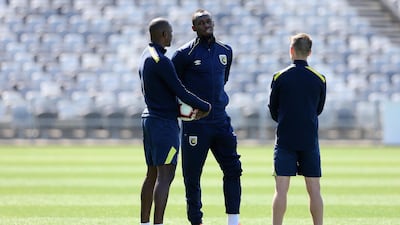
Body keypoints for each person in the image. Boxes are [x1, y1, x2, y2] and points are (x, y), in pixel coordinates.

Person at [171, 9, 242, 225]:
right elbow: (173, 87)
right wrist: (186, 109)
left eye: (208, 21)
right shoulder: (183, 54)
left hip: (221, 121)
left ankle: (233, 221)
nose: (206, 25)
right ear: (194, 28)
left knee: (233, 169)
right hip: (196, 124)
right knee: (192, 176)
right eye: (200, 23)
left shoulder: (226, 51)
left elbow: (223, 81)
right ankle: (196, 221)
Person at [139, 17, 212, 225]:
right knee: (165, 175)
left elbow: (162, 93)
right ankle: (158, 223)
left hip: (150, 118)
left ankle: (144, 222)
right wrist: (205, 106)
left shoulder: (146, 54)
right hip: (163, 124)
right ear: (163, 34)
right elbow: (180, 91)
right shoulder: (161, 61)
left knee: (152, 173)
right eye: (170, 32)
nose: (172, 36)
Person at [268, 33, 326, 225]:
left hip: (285, 139)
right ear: (310, 52)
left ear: (291, 51)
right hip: (309, 139)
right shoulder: (320, 79)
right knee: (314, 190)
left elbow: (273, 109)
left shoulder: (280, 77)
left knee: (281, 190)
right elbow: (319, 109)